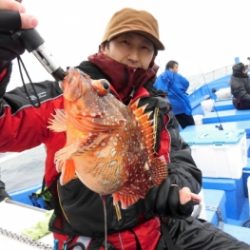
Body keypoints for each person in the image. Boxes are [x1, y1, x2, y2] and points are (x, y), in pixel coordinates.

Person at [0, 1, 250, 249]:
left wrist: (173, 189)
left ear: (153, 56)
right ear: (103, 46)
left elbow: (183, 161)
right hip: (95, 242)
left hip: (163, 228)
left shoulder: (158, 106)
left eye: (145, 48)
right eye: (124, 43)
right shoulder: (61, 96)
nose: (133, 55)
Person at [154, 60, 195, 129]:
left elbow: (158, 90)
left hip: (172, 108)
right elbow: (185, 83)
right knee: (192, 126)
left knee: (183, 126)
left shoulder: (160, 77)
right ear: (170, 68)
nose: (177, 70)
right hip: (181, 105)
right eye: (176, 67)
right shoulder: (174, 75)